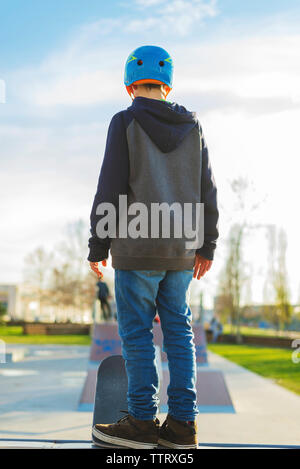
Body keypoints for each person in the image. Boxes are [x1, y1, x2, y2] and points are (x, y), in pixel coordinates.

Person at [88, 45, 219, 449]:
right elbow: (206, 188)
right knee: (179, 332)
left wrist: (98, 244)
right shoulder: (193, 127)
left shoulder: (124, 121)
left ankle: (142, 422)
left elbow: (111, 184)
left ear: (130, 85)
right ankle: (183, 425)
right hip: (181, 251)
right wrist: (207, 244)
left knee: (138, 334)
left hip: (137, 249)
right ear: (168, 84)